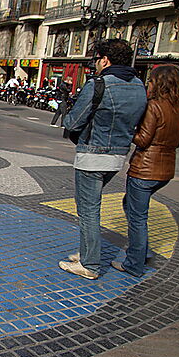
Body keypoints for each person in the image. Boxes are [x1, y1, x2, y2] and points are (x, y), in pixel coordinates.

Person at [58, 39, 147, 280]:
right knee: (91, 207)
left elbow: (73, 122)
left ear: (105, 60)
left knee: (88, 210)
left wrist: (68, 115)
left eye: (97, 60)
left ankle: (90, 264)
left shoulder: (99, 84)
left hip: (92, 156)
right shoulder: (139, 85)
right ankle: (88, 252)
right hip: (118, 156)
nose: (96, 65)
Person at [112, 65, 179, 277]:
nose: (149, 84)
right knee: (131, 206)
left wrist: (128, 129)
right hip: (165, 170)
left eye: (151, 81)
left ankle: (134, 263)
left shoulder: (154, 106)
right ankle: (140, 250)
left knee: (137, 217)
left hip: (144, 169)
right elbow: (178, 142)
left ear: (158, 83)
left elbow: (143, 140)